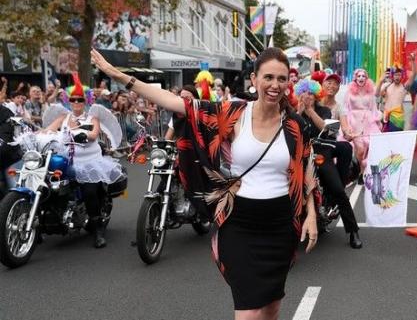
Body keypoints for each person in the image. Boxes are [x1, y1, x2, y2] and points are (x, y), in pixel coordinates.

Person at [91, 47, 317, 320]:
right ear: (254, 79)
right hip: (239, 223)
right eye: (268, 77)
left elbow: (306, 166)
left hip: (281, 226)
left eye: (282, 79)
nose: (275, 85)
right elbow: (176, 103)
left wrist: (311, 214)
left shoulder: (294, 125)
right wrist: (117, 74)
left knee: (271, 307)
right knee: (248, 313)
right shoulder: (232, 113)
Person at [43, 74, 123, 248]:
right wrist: (32, 135)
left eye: (80, 99)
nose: (76, 102)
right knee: (47, 185)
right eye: (73, 99)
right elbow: (47, 130)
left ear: (86, 100)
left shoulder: (91, 117)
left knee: (89, 191)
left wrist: (84, 134)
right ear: (68, 100)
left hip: (89, 162)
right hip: (68, 160)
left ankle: (98, 229)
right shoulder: (63, 117)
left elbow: (94, 133)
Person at [296, 78, 362, 248]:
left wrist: (310, 111)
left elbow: (326, 129)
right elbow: (289, 130)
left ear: (317, 95)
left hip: (321, 151)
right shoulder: (294, 112)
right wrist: (299, 112)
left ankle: (353, 231)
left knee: (338, 190)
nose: (308, 96)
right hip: (299, 155)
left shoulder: (323, 110)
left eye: (311, 93)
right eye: (305, 92)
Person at [339, 68, 382, 179]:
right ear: (355, 78)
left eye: (363, 76)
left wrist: (377, 120)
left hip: (368, 122)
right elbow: (344, 107)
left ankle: (363, 170)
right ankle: (360, 168)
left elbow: (373, 107)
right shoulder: (349, 91)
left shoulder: (370, 91)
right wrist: (346, 124)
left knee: (371, 146)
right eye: (359, 76)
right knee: (360, 149)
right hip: (354, 122)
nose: (361, 78)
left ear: (366, 79)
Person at [380, 54, 417, 132]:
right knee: (386, 140)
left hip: (398, 117)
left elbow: (414, 74)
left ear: (402, 76)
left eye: (399, 75)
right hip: (386, 116)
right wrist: (381, 82)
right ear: (392, 76)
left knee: (396, 139)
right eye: (396, 75)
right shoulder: (387, 86)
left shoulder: (404, 87)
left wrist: (413, 61)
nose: (397, 77)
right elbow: (379, 95)